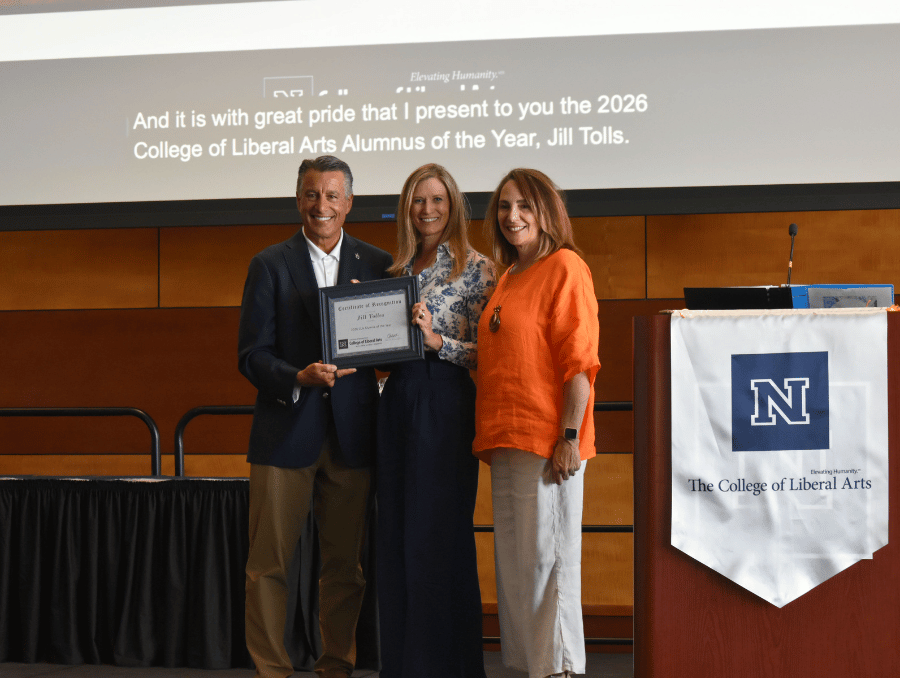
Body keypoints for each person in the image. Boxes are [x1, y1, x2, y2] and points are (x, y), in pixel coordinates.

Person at [238, 155, 393, 678]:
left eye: (332, 195)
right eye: (311, 194)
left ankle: (335, 665)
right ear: (297, 199)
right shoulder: (269, 263)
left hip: (353, 438)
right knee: (269, 567)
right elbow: (251, 355)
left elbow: (390, 350)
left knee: (345, 569)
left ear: (349, 202)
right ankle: (272, 670)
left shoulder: (377, 264)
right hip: (286, 432)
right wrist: (296, 377)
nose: (321, 205)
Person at [472, 168, 600, 678]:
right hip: (504, 442)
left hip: (548, 445)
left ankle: (562, 671)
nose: (512, 216)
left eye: (524, 205)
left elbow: (580, 365)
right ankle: (533, 670)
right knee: (520, 574)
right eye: (504, 206)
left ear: (547, 210)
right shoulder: (508, 275)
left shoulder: (566, 267)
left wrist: (569, 437)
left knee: (552, 569)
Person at [375, 163, 496, 678]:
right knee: (396, 534)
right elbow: (381, 353)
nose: (427, 210)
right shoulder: (394, 269)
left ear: (453, 206)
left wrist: (437, 342)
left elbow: (490, 354)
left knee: (438, 535)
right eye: (418, 201)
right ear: (407, 208)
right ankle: (402, 666)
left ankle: (446, 666)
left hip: (444, 404)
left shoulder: (479, 268)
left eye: (437, 200)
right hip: (397, 401)